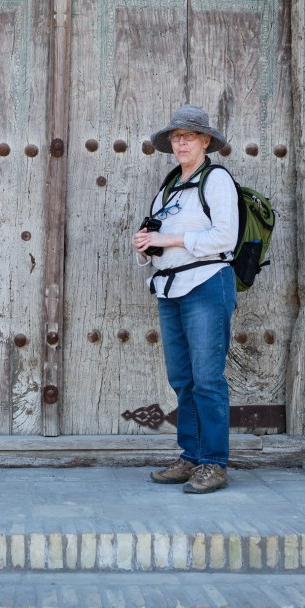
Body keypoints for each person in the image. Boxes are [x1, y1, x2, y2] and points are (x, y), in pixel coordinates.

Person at [131, 105, 238, 494]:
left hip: (208, 284)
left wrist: (169, 239)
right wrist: (144, 246)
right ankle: (190, 456)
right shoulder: (170, 185)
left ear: (205, 141)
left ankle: (214, 463)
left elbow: (225, 238)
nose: (181, 142)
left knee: (208, 378)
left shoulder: (218, 180)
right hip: (169, 288)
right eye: (176, 137)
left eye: (189, 136)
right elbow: (155, 238)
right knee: (183, 378)